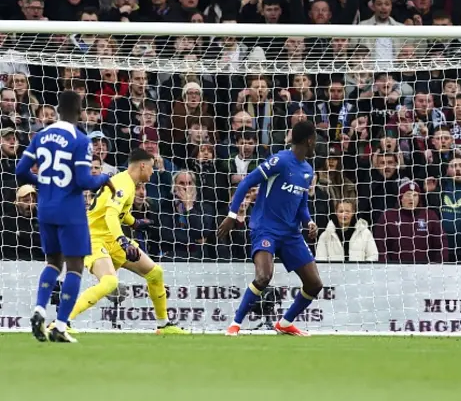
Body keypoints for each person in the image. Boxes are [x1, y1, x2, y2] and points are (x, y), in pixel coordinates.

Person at [14, 91, 115, 343]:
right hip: (70, 211)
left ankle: (39, 308)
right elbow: (83, 181)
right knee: (75, 267)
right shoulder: (80, 140)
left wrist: (45, 183)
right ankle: (59, 325)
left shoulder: (41, 135)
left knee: (52, 263)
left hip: (46, 208)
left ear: (58, 111)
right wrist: (105, 178)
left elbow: (20, 170)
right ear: (80, 112)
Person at [67, 148, 188, 335]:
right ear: (142, 165)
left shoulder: (126, 181)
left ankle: (163, 325)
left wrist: (135, 222)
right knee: (109, 283)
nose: (153, 172)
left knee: (155, 273)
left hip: (110, 236)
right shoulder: (124, 184)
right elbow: (110, 215)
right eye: (151, 167)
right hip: (93, 238)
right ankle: (62, 322)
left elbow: (118, 213)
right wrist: (123, 241)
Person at [218, 120, 322, 337]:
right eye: (315, 139)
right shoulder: (280, 161)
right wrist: (232, 214)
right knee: (264, 277)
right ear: (309, 140)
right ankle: (235, 324)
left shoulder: (307, 170)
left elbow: (301, 204)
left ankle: (284, 324)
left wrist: (309, 222)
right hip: (265, 228)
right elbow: (246, 182)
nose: (317, 144)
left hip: (291, 233)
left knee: (314, 284)